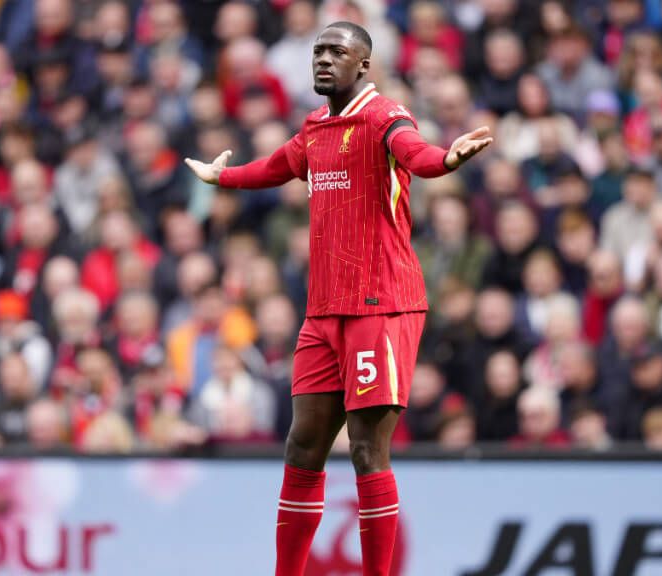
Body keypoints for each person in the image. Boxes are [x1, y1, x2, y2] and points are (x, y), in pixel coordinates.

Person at [184, 22, 492, 576]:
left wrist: (447, 159)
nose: (324, 60)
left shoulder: (384, 117)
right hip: (323, 311)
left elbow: (416, 153)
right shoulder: (315, 127)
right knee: (303, 446)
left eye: (338, 52)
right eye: (318, 51)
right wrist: (222, 179)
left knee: (366, 449)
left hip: (382, 305)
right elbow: (277, 167)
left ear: (364, 64)